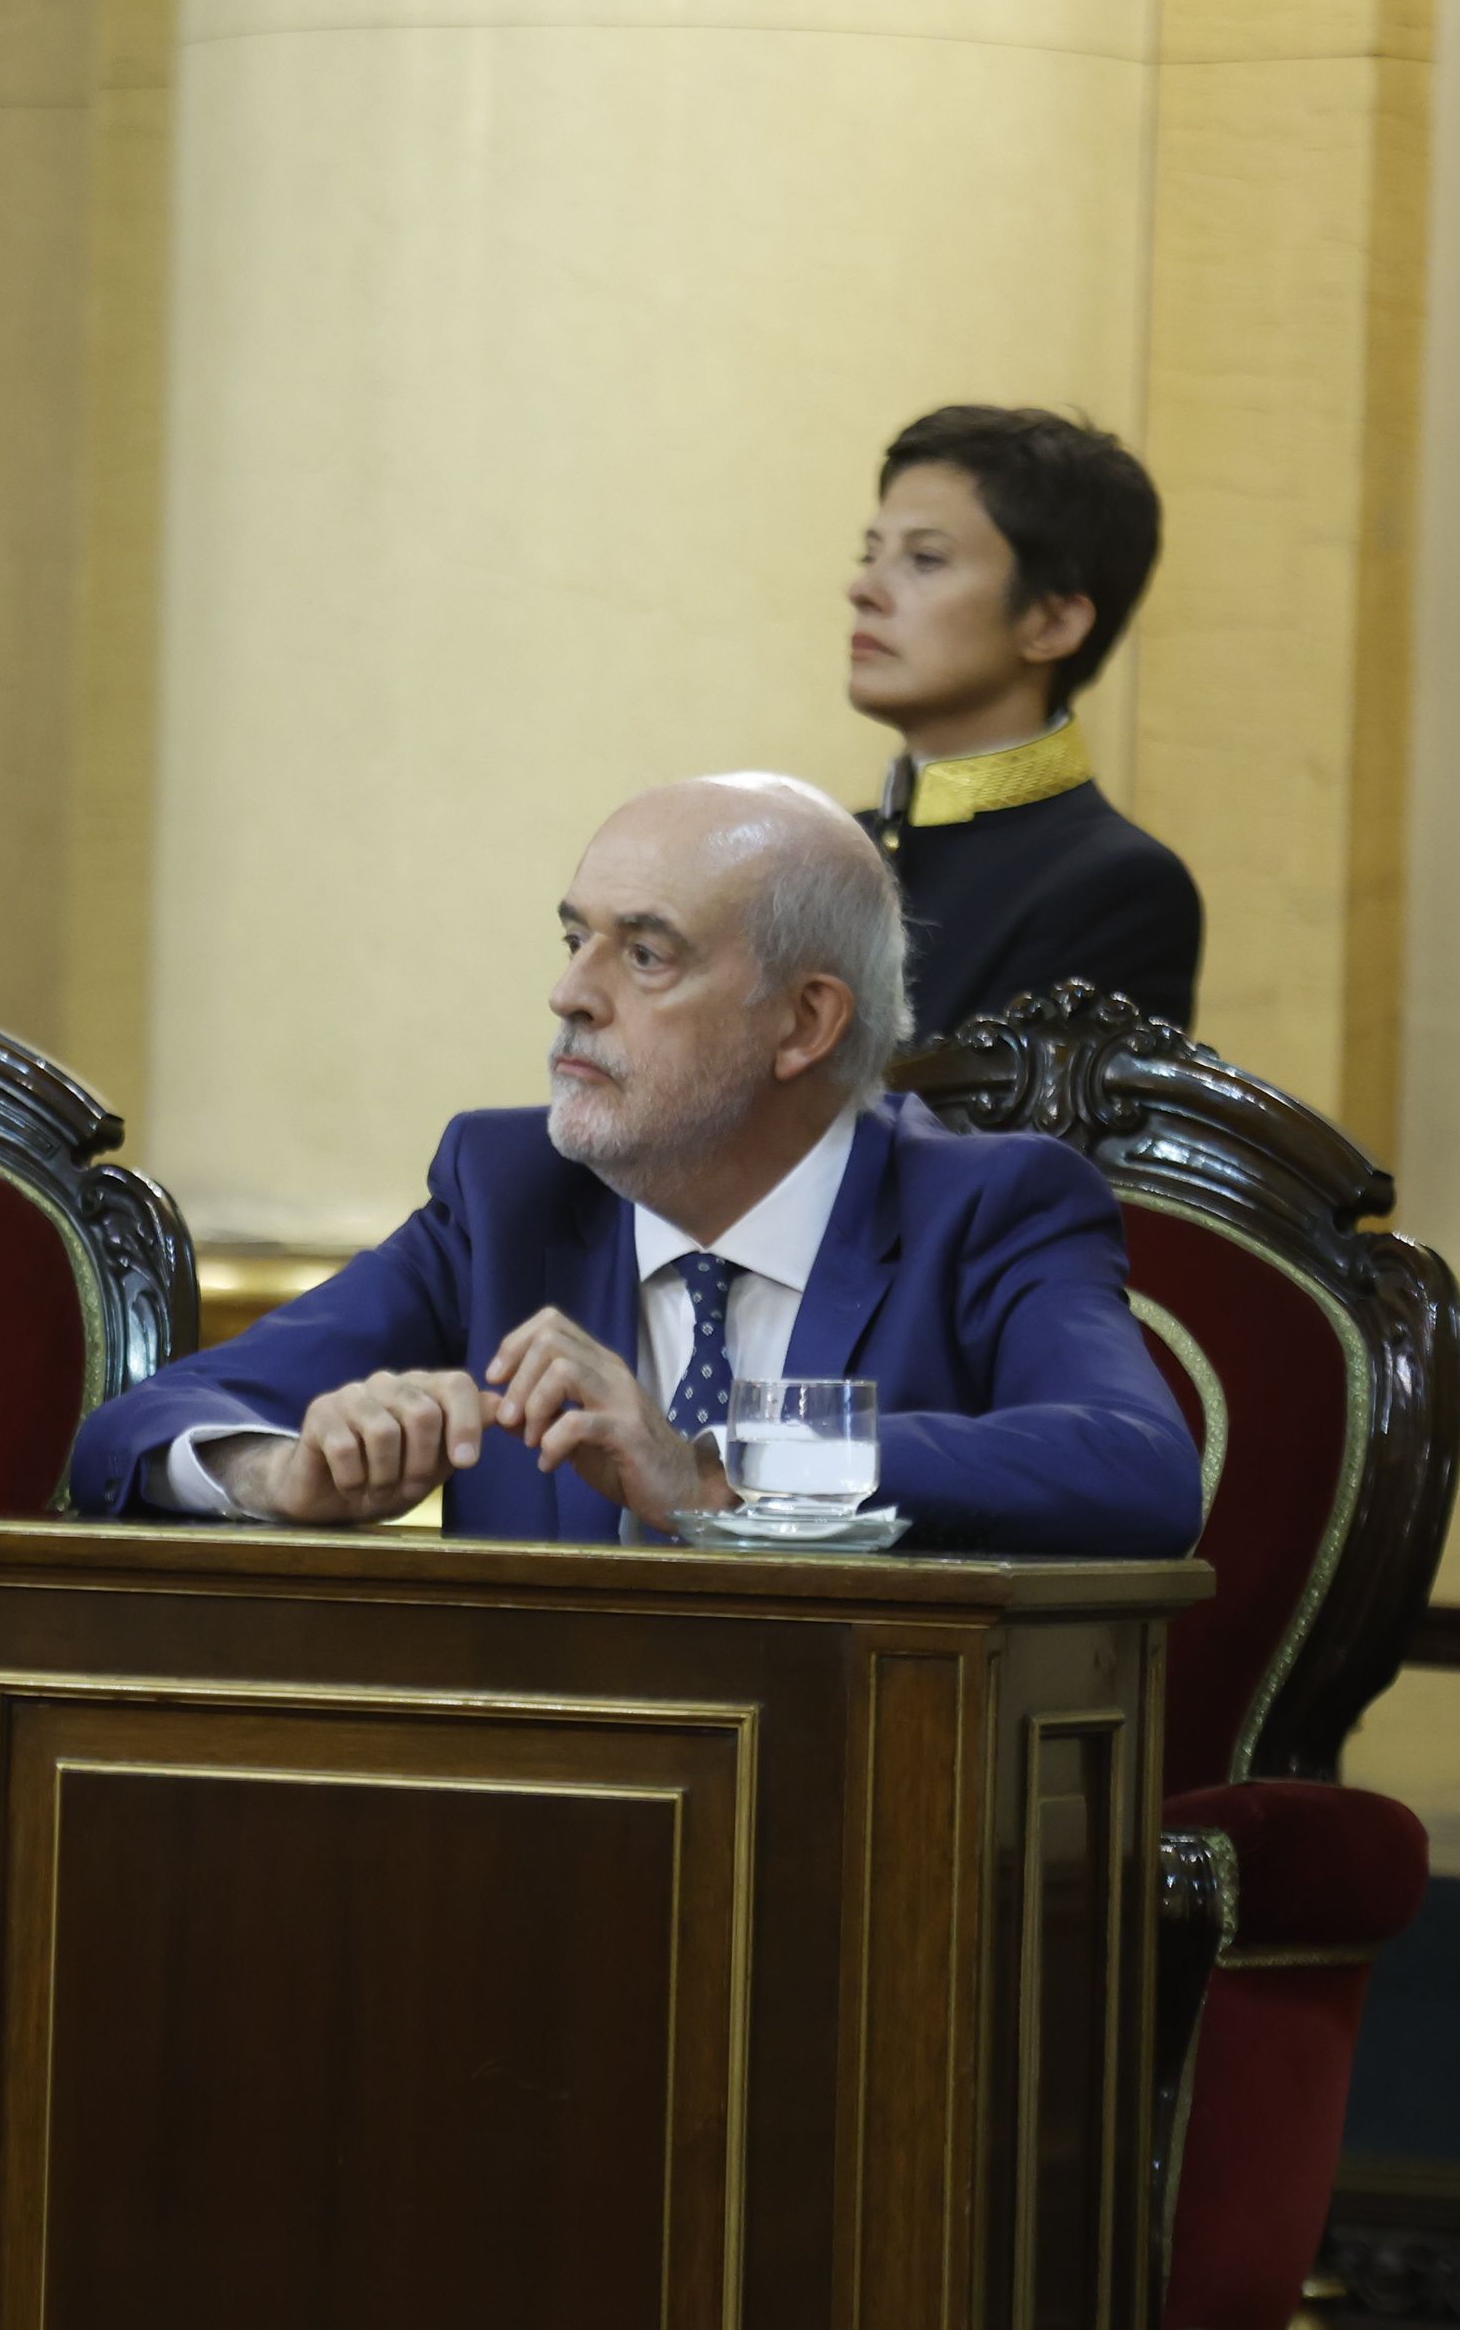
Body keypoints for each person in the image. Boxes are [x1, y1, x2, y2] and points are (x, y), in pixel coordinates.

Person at [68, 774, 1198, 1555]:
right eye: (576, 939)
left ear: (803, 1023)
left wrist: (719, 1468)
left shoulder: (988, 1210)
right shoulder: (507, 1197)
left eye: (645, 953)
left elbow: (1136, 1465)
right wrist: (285, 1476)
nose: (571, 992)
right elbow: (134, 1433)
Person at [849, 404, 1202, 1034]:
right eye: (869, 555)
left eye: (925, 559)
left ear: (1053, 624)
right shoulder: (829, 853)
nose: (866, 590)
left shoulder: (1114, 888)